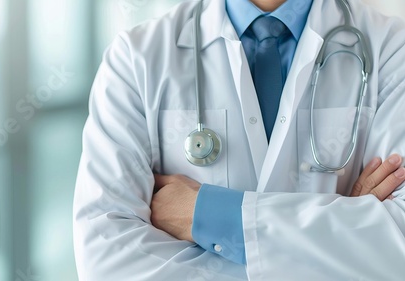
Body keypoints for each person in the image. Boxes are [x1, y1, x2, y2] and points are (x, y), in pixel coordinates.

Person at [73, 0, 405, 280]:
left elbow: (399, 243)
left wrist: (207, 214)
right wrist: (346, 237)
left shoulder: (392, 48)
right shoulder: (137, 58)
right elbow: (106, 256)